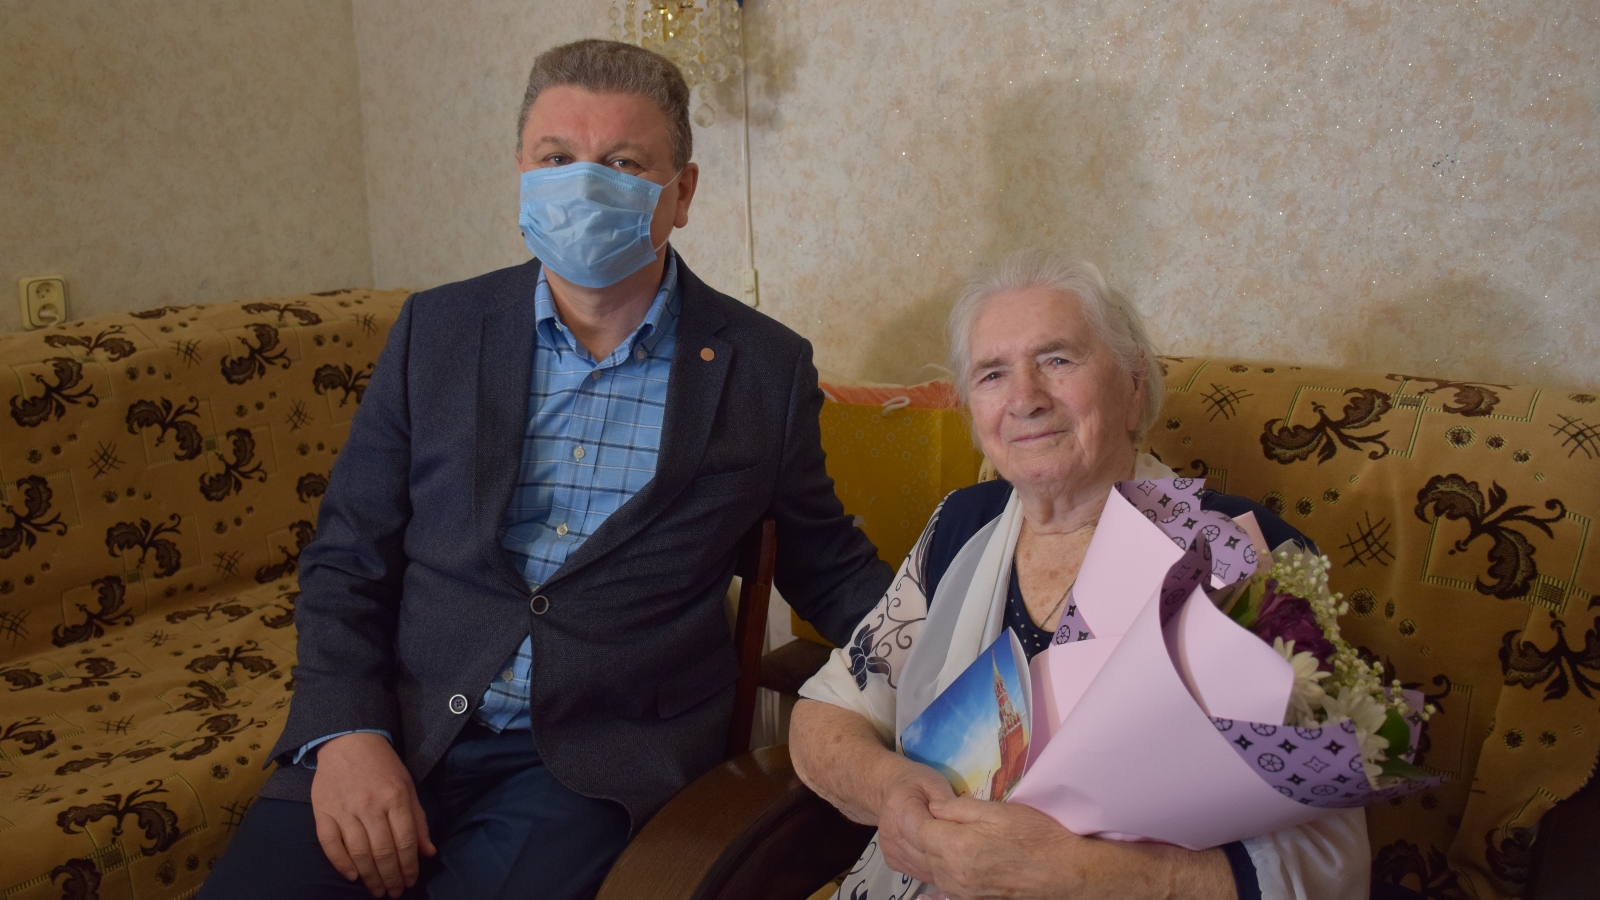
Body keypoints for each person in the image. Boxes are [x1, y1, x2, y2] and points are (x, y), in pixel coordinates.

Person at [202, 40, 892, 900]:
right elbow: (349, 555)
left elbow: (828, 565)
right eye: (557, 159)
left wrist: (968, 655)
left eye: (623, 163)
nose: (584, 185)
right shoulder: (435, 332)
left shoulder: (764, 369)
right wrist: (345, 734)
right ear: (522, 173)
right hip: (403, 727)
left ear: (682, 193)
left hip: (593, 764)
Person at [789, 250, 1368, 900]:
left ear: (1134, 387)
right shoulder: (961, 524)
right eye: (992, 374)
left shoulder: (1239, 557)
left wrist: (1085, 877)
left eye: (1058, 360)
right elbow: (828, 710)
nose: (1025, 399)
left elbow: (1329, 854)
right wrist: (891, 790)